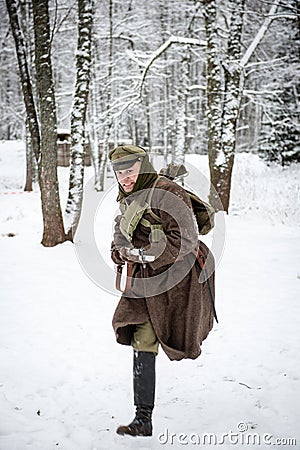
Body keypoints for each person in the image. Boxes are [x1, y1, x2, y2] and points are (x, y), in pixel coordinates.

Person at [109, 144, 215, 437]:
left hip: (179, 281)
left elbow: (186, 239)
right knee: (141, 337)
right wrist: (120, 253)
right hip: (146, 283)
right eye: (119, 173)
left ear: (142, 167)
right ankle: (143, 419)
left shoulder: (167, 192)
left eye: (129, 171)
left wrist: (144, 255)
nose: (125, 178)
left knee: (174, 334)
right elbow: (118, 236)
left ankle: (143, 417)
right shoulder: (128, 198)